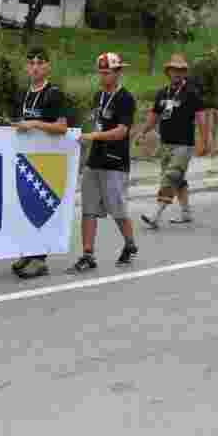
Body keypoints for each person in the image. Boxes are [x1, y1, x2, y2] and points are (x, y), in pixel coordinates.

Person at [70, 52, 138, 273]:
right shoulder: (98, 95)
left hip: (115, 161)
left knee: (117, 209)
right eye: (100, 72)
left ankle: (129, 243)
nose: (103, 76)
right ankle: (88, 254)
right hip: (94, 160)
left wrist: (94, 136)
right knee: (88, 208)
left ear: (118, 73)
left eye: (107, 72)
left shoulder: (125, 98)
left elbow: (121, 131)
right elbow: (96, 123)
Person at [9, 49, 70, 280]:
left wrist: (34, 123)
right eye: (31, 63)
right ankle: (30, 252)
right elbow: (20, 122)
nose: (35, 67)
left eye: (39, 63)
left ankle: (40, 259)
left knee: (42, 208)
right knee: (25, 207)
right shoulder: (23, 93)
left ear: (47, 67)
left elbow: (61, 127)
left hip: (47, 159)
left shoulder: (53, 93)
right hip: (25, 157)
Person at [137, 53, 206, 229]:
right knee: (178, 179)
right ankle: (186, 213)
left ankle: (155, 213)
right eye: (174, 70)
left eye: (180, 70)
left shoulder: (191, 93)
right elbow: (154, 116)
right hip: (166, 143)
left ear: (185, 73)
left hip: (184, 144)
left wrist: (204, 141)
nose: (177, 73)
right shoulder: (162, 93)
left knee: (171, 176)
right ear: (168, 72)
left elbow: (201, 118)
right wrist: (142, 132)